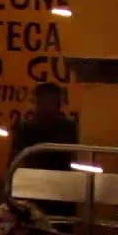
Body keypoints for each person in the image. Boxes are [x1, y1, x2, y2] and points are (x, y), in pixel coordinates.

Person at [9, 82, 79, 221]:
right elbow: (14, 161)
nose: (48, 106)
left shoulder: (67, 127)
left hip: (57, 190)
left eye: (51, 102)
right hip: (36, 190)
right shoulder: (26, 128)